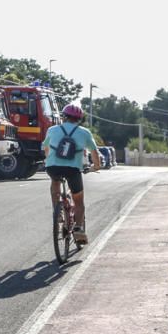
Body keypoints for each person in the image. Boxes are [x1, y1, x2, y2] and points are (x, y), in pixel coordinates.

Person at [44, 103, 101, 244]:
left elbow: (46, 148)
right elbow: (94, 153)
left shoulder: (52, 130)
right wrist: (96, 166)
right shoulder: (84, 132)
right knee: (78, 201)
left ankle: (57, 212)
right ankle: (78, 229)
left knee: (55, 182)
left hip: (53, 167)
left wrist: (49, 161)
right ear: (79, 119)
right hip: (73, 169)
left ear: (64, 117)